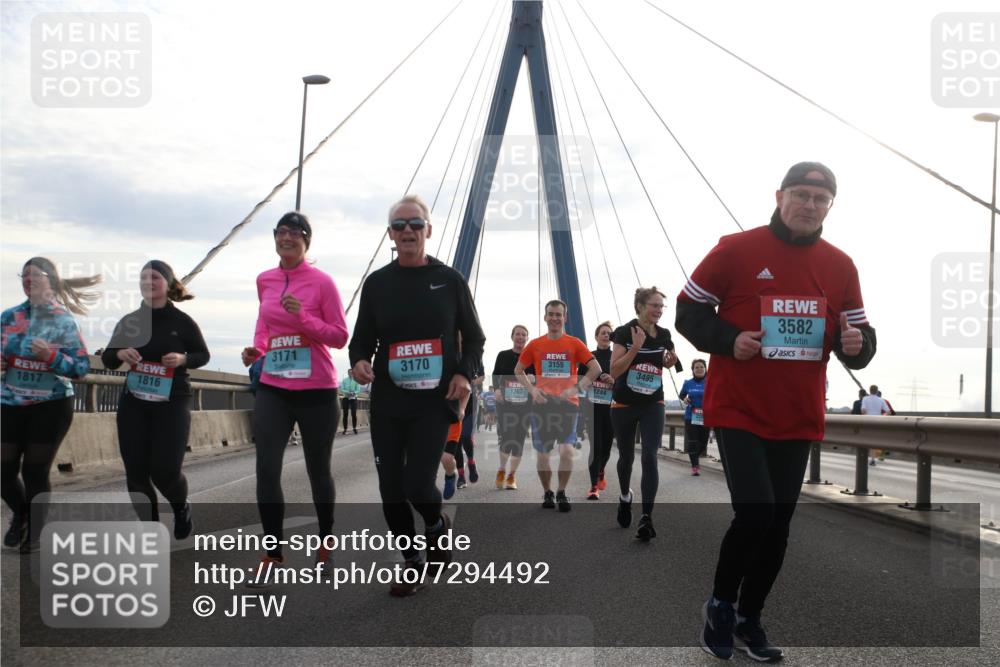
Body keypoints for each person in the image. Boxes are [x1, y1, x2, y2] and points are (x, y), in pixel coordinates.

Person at [676, 162, 876, 661]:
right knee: (756, 512)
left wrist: (857, 345)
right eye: (801, 194)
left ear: (830, 206)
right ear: (780, 195)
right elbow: (688, 311)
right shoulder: (735, 249)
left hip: (798, 414)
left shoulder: (841, 265)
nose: (809, 205)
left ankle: (750, 617)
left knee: (779, 523)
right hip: (739, 409)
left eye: (820, 198)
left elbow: (860, 340)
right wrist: (729, 339)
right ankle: (720, 606)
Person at [349, 194, 485, 596]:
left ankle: (435, 524)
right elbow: (361, 342)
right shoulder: (377, 284)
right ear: (390, 234)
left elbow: (475, 339)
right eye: (399, 225)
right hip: (390, 401)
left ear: (429, 229)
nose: (407, 231)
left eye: (415, 224)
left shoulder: (450, 280)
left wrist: (463, 372)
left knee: (416, 485)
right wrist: (358, 364)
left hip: (433, 401)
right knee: (389, 489)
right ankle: (410, 562)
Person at [240, 212, 348, 584]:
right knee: (266, 469)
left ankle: (325, 539)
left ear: (307, 241)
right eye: (280, 232)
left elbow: (338, 336)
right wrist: (257, 349)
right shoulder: (264, 280)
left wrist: (302, 317)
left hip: (317, 390)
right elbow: (265, 324)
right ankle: (272, 551)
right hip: (273, 386)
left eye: (294, 233)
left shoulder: (323, 284)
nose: (286, 238)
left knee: (318, 471)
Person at [101, 260, 209, 539]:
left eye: (154, 278)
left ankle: (180, 506)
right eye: (143, 278)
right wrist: (121, 353)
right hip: (134, 402)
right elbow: (108, 358)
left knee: (164, 471)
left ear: (168, 284)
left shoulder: (182, 322)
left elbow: (202, 355)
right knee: (135, 472)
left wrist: (183, 358)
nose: (148, 282)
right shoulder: (130, 321)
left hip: (172, 401)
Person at [2, 257, 98, 552]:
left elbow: (81, 367)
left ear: (50, 280)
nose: (28, 279)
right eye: (24, 275)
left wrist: (51, 357)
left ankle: (36, 533)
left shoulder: (62, 321)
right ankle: (22, 513)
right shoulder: (9, 317)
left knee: (34, 471)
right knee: (3, 470)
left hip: (52, 405)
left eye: (35, 275)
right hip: (10, 401)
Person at [514, 300, 607, 512]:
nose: (555, 318)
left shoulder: (574, 343)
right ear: (545, 317)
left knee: (566, 452)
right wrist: (533, 390)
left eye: (559, 315)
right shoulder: (535, 345)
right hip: (543, 405)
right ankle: (547, 491)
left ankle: (562, 492)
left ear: (565, 318)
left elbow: (595, 369)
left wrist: (576, 389)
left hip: (568, 406)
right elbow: (518, 370)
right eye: (551, 314)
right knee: (543, 455)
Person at [608, 288, 678, 540]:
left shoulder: (665, 334)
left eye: (662, 307)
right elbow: (614, 370)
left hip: (653, 402)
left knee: (649, 456)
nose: (659, 311)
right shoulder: (625, 332)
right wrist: (635, 348)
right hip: (624, 403)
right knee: (626, 458)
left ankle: (647, 517)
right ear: (639, 305)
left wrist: (670, 361)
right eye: (654, 305)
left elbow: (670, 361)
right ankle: (625, 496)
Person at [491, 324, 532, 490]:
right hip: (506, 404)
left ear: (527, 338)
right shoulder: (503, 355)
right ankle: (502, 470)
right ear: (512, 336)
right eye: (518, 334)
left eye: (523, 335)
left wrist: (533, 378)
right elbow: (495, 374)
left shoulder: (531, 358)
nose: (520, 337)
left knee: (519, 440)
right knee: (508, 437)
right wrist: (497, 390)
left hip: (525, 405)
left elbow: (539, 378)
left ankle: (511, 476)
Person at [585, 321, 615, 500]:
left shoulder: (618, 356)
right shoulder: (589, 356)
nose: (605, 335)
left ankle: (601, 470)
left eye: (608, 333)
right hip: (592, 409)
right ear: (596, 336)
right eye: (602, 332)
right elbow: (580, 380)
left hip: (612, 409)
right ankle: (593, 485)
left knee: (607, 449)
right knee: (596, 448)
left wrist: (614, 381)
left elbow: (626, 381)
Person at [680, 359, 709, 476]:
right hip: (691, 416)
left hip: (705, 416)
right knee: (692, 441)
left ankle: (694, 455)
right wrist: (685, 399)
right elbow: (682, 394)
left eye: (701, 367)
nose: (699, 369)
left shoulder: (710, 381)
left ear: (705, 368)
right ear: (693, 370)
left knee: (703, 443)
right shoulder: (688, 383)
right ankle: (695, 466)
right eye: (696, 367)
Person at [861, 384, 889, 464]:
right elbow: (888, 412)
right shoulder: (881, 400)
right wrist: (882, 416)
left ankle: (870, 458)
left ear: (869, 390)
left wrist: (866, 417)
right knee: (876, 440)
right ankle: (876, 457)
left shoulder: (865, 399)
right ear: (877, 391)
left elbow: (863, 411)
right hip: (878, 422)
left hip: (868, 422)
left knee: (868, 440)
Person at [340, 370, 360, 435]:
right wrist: (348, 393)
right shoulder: (344, 380)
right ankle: (345, 429)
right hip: (346, 398)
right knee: (345, 414)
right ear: (348, 373)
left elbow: (358, 389)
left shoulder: (356, 380)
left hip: (353, 399)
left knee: (353, 413)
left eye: (352, 372)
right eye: (349, 372)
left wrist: (354, 393)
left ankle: (354, 428)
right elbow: (342, 389)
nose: (351, 373)